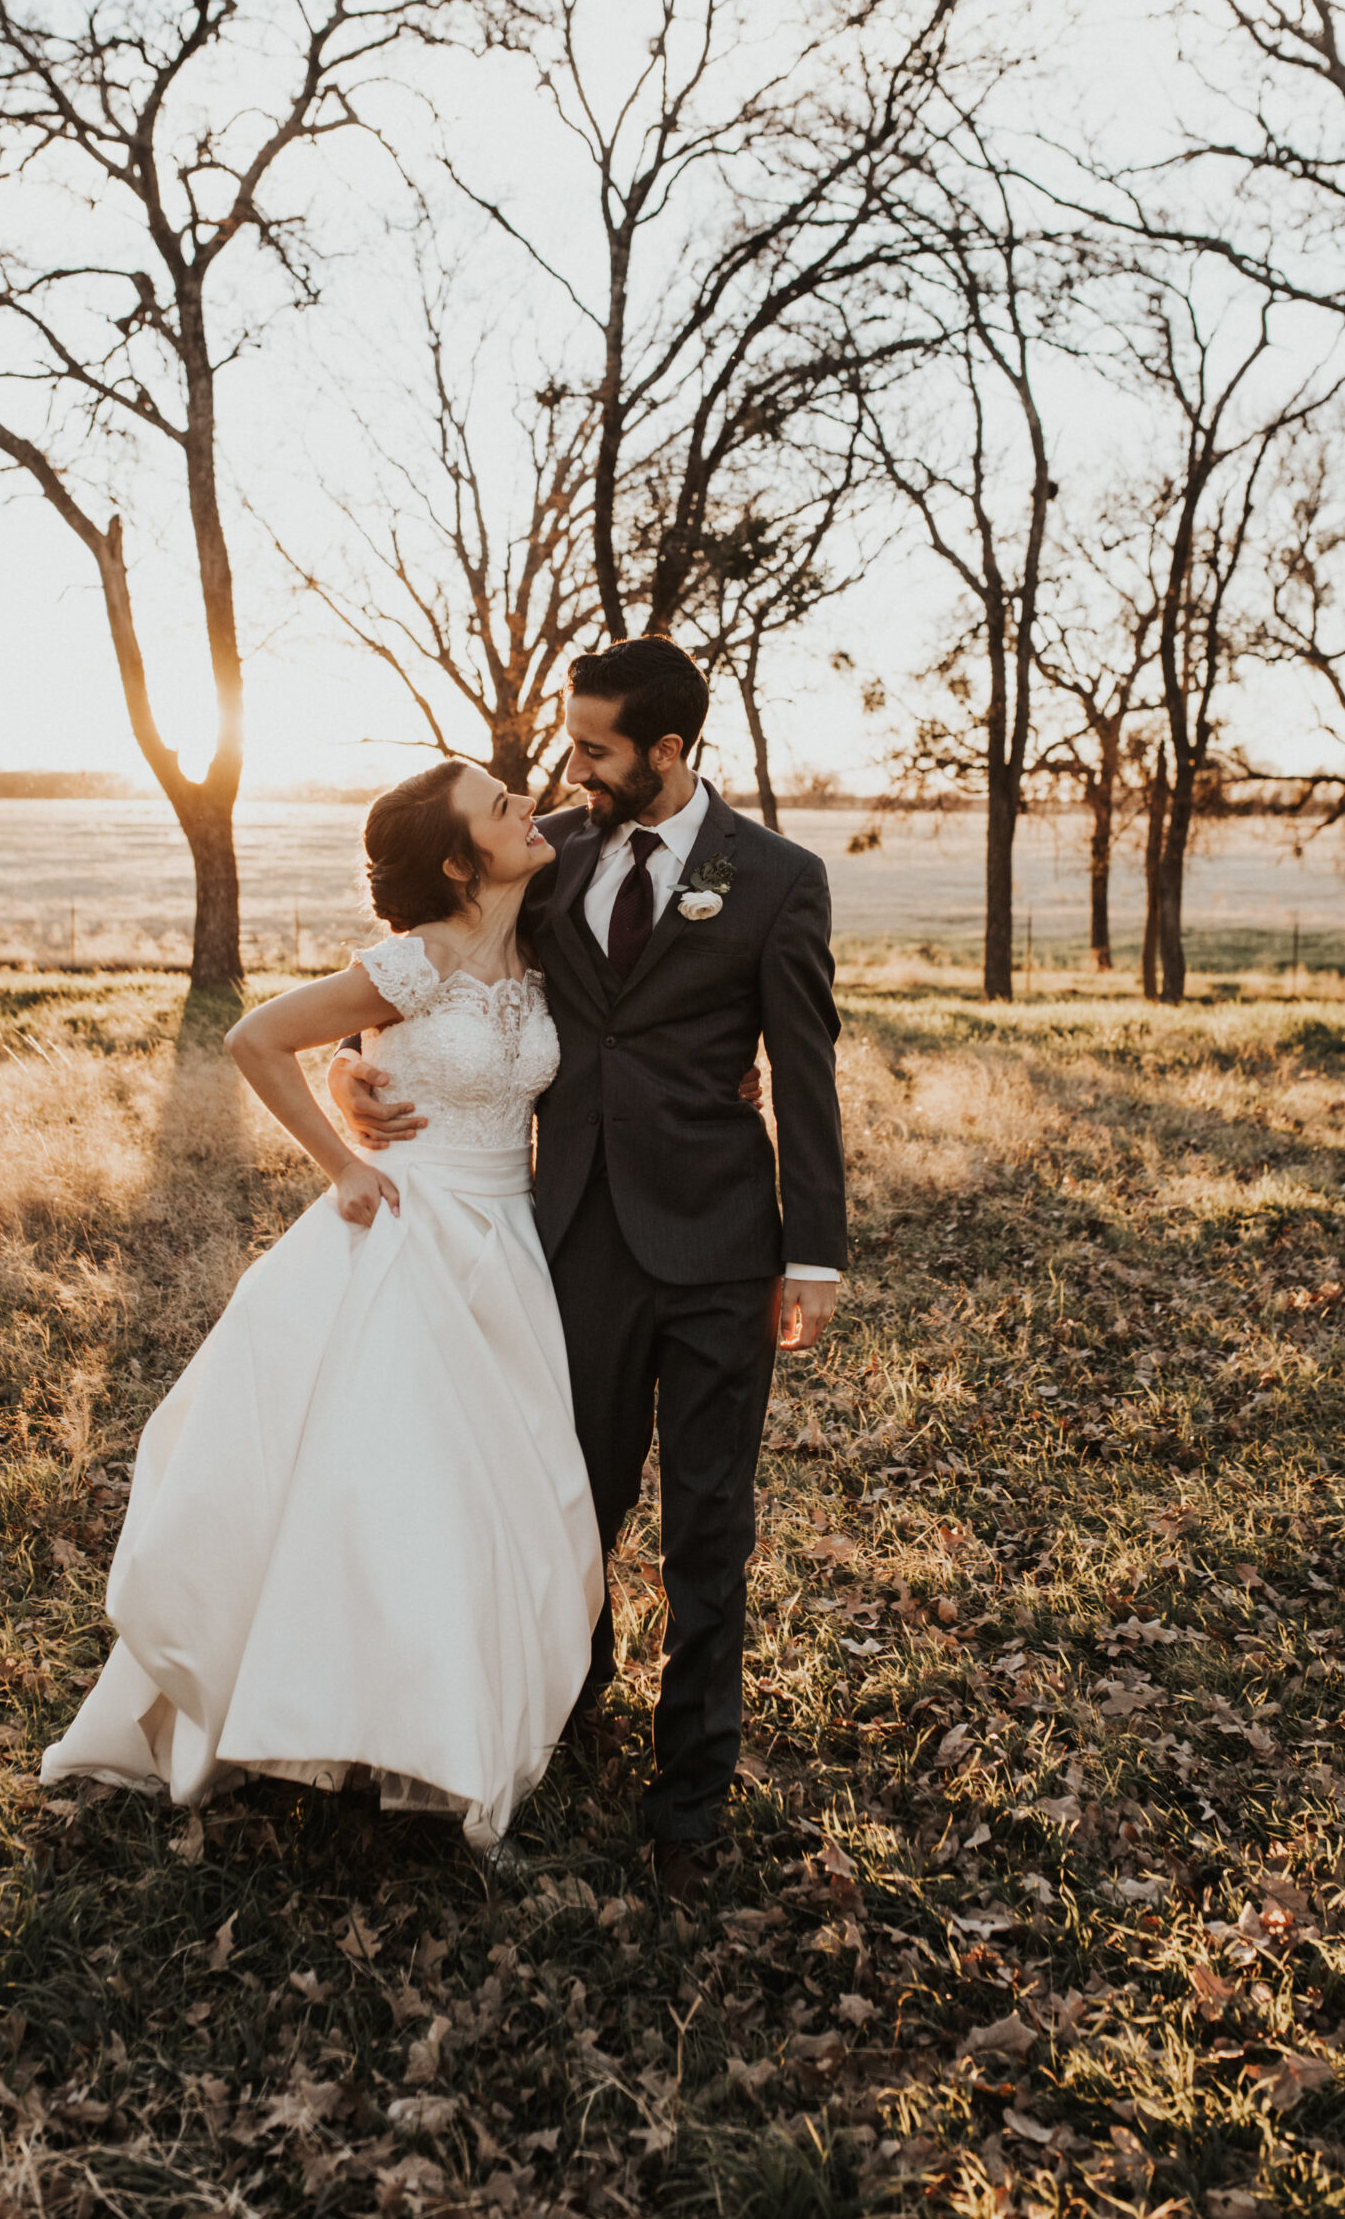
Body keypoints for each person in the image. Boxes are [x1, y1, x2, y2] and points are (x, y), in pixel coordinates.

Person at [329, 636, 847, 1901]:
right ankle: (565, 1715)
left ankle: (690, 1799)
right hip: (570, 1241)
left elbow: (806, 1069)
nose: (572, 767)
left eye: (597, 748)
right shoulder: (546, 853)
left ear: (669, 752)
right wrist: (352, 1065)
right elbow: (430, 960)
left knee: (707, 1529)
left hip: (721, 1248)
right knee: (572, 1507)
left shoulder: (777, 880)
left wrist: (814, 1255)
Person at [41, 761, 602, 1856]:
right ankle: (340, 1711)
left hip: (509, 1241)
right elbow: (255, 1035)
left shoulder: (540, 936)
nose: (528, 806)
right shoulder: (417, 960)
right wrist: (341, 1156)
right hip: (406, 1231)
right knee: (390, 1484)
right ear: (456, 862)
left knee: (500, 1484)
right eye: (501, 806)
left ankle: (439, 1709)